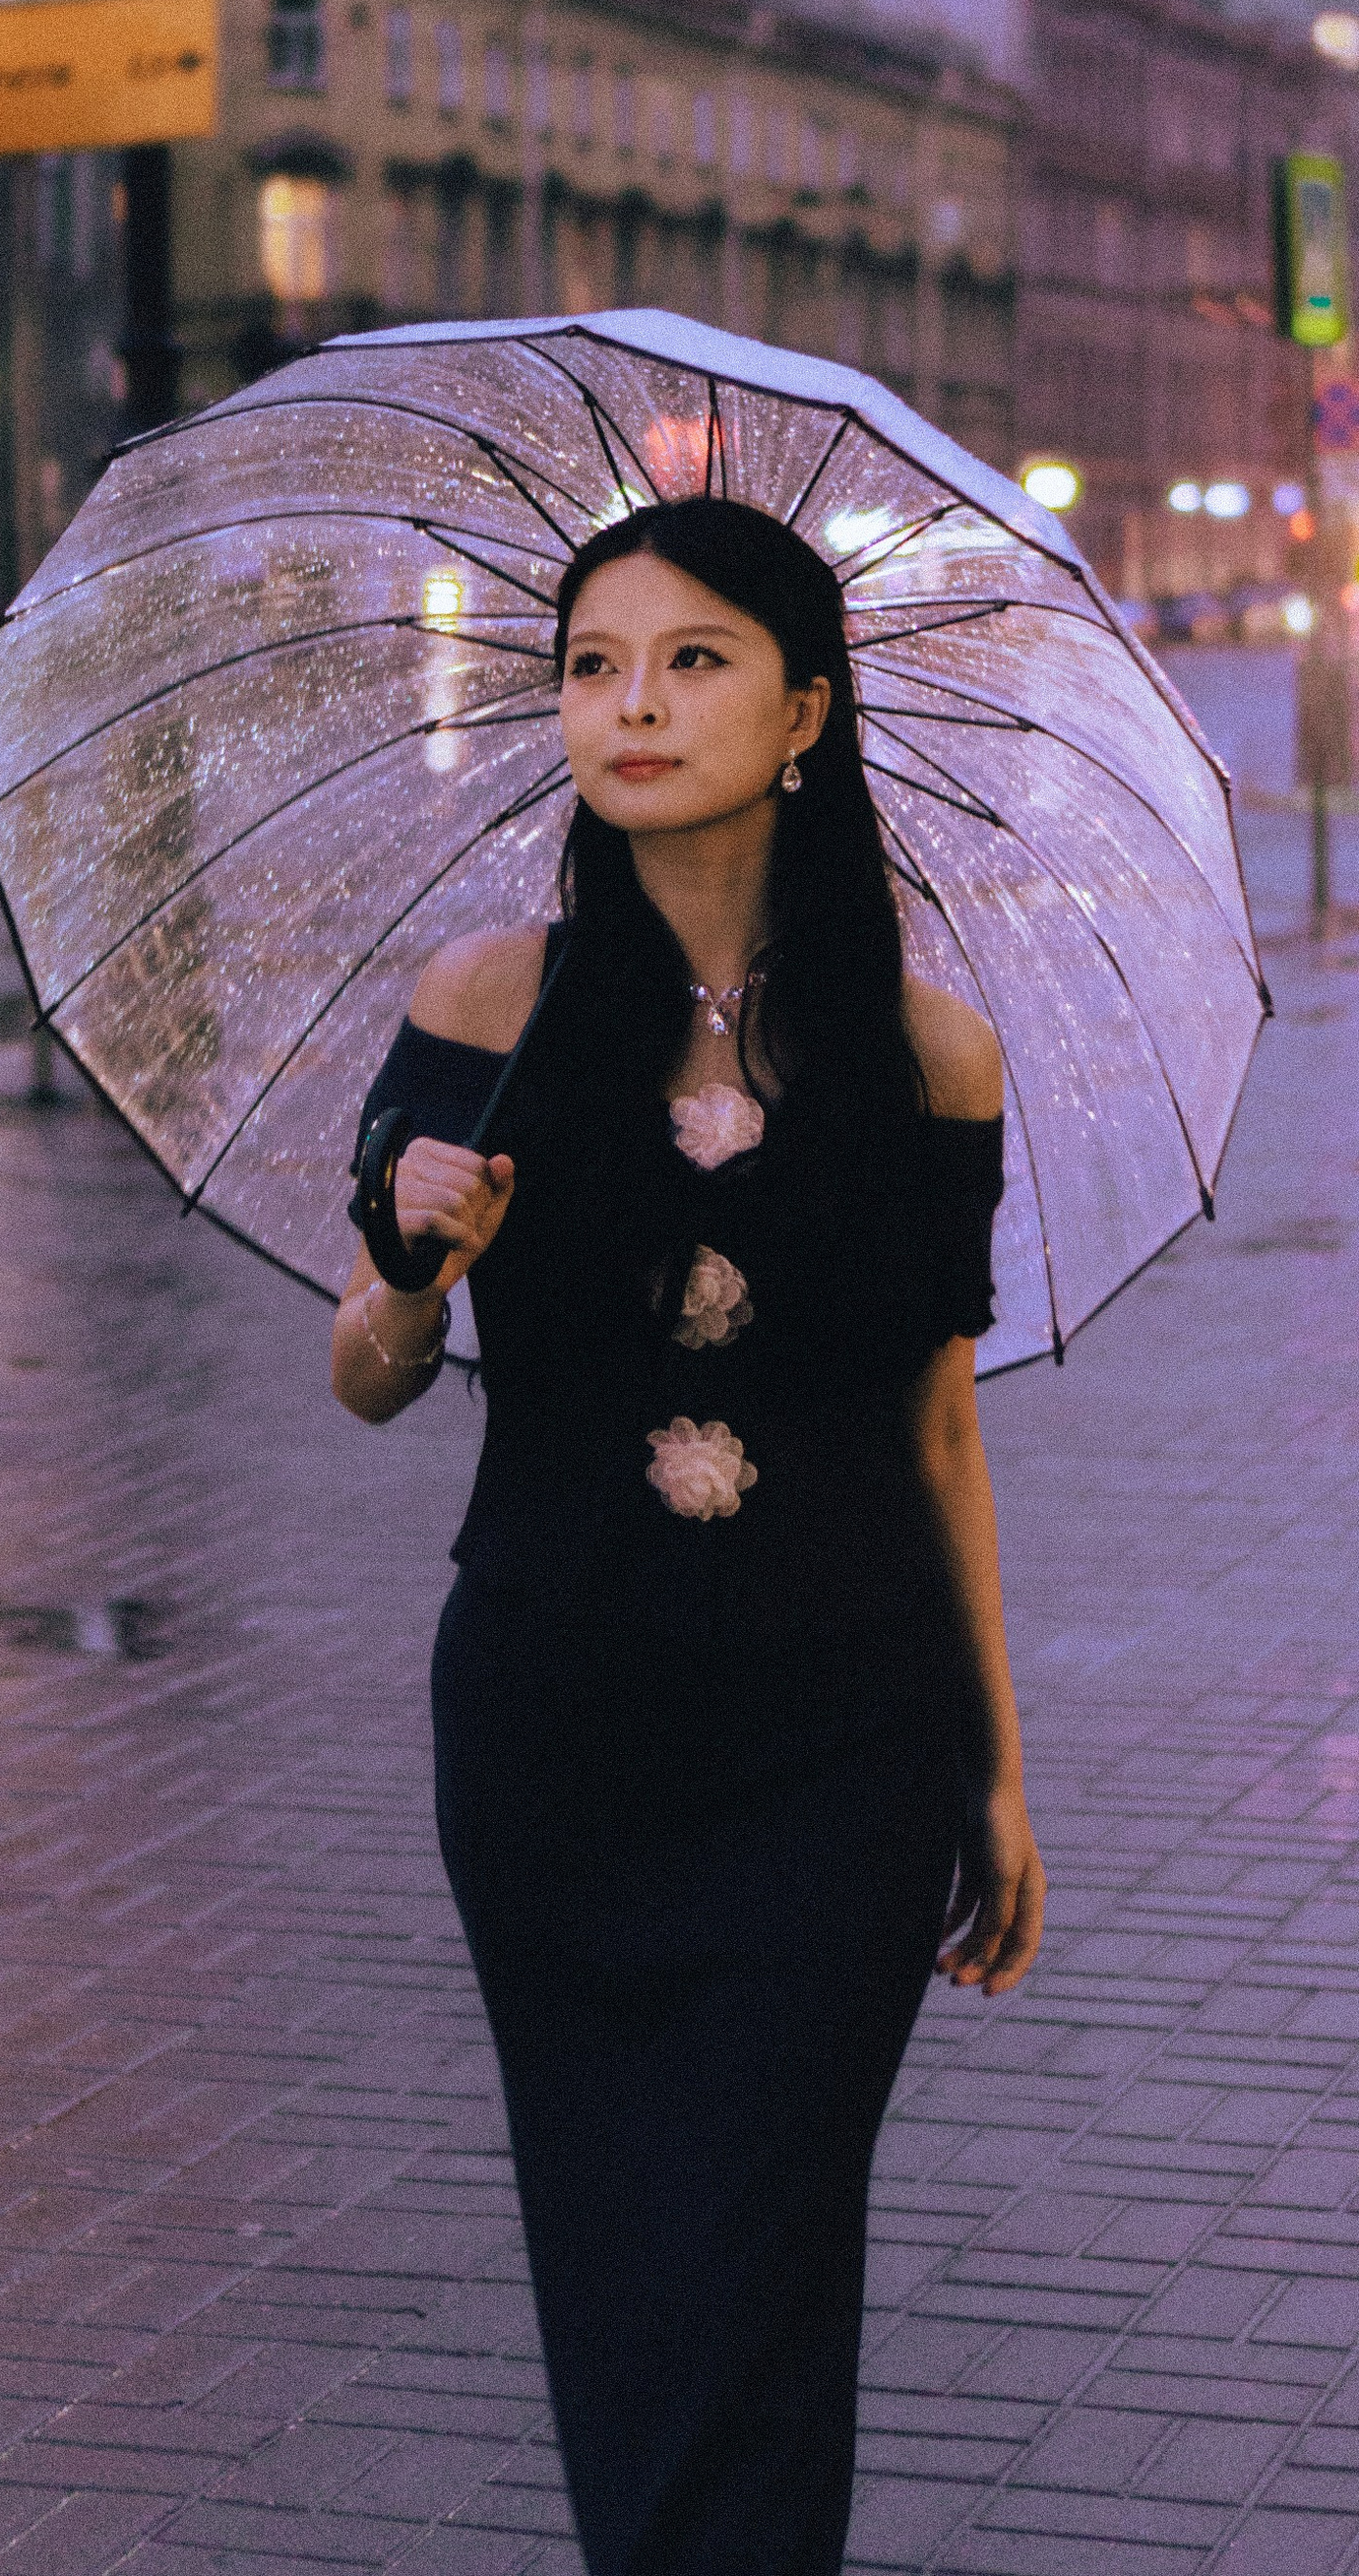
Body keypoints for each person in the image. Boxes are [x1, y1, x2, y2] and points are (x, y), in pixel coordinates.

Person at [333, 495, 1043, 2576]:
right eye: (589, 664)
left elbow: (934, 1426)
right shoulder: (485, 1008)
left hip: (840, 1740)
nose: (630, 703)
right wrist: (413, 1268)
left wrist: (995, 1773)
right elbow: (364, 1381)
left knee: (762, 2232)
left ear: (807, 708)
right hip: (556, 1722)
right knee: (622, 2248)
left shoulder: (928, 1056)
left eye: (694, 657)